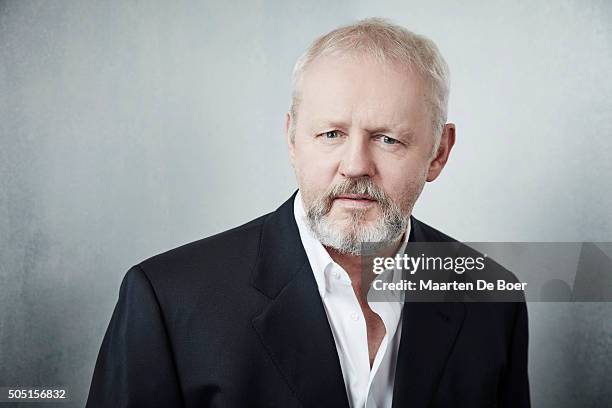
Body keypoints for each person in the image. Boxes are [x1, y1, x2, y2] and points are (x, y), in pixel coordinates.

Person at [86, 18, 530, 408]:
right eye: (332, 133)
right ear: (293, 138)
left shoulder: (492, 297)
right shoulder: (167, 299)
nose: (355, 165)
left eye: (388, 139)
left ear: (439, 153)